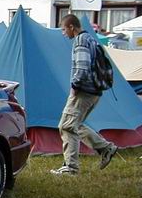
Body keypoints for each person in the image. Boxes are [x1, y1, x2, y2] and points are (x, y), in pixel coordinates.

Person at [50, 14, 118, 175]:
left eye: (64, 29)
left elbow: (83, 67)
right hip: (94, 91)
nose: (63, 33)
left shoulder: (80, 41)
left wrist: (75, 86)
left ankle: (71, 167)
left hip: (83, 92)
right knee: (74, 125)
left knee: (66, 126)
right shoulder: (91, 39)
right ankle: (105, 148)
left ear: (71, 27)